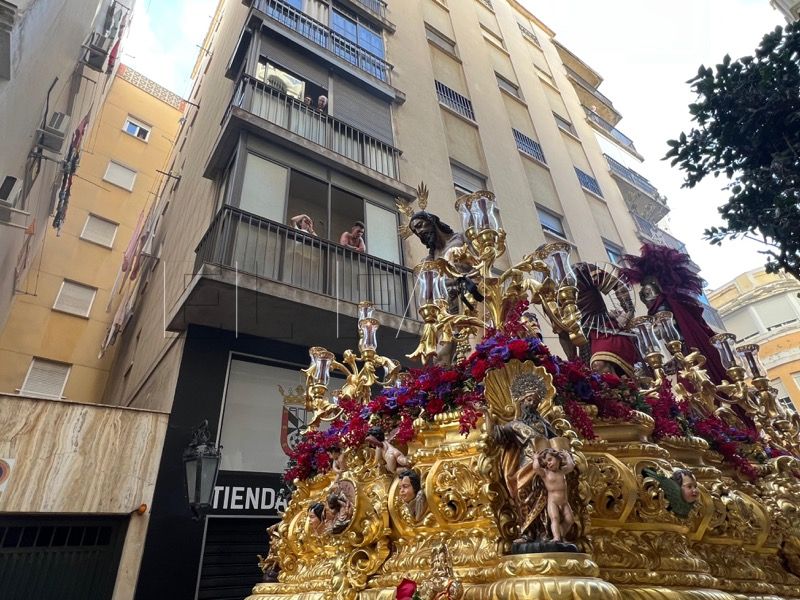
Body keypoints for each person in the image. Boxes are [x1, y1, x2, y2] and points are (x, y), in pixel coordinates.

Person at [492, 372, 559, 543]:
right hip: (525, 464)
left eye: (535, 401)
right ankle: (527, 532)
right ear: (521, 402)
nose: (532, 404)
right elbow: (497, 436)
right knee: (523, 495)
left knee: (545, 496)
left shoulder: (543, 423)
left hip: (544, 465)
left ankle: (545, 532)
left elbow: (555, 440)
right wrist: (486, 415)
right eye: (529, 400)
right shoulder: (514, 425)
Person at [532, 449, 576, 543]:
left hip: (564, 502)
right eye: (546, 463)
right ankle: (556, 537)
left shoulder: (562, 471)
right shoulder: (546, 473)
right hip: (553, 502)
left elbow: (571, 466)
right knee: (555, 518)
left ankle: (561, 535)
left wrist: (567, 456)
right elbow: (536, 468)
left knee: (570, 519)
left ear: (558, 458)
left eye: (550, 459)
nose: (549, 463)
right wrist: (535, 459)